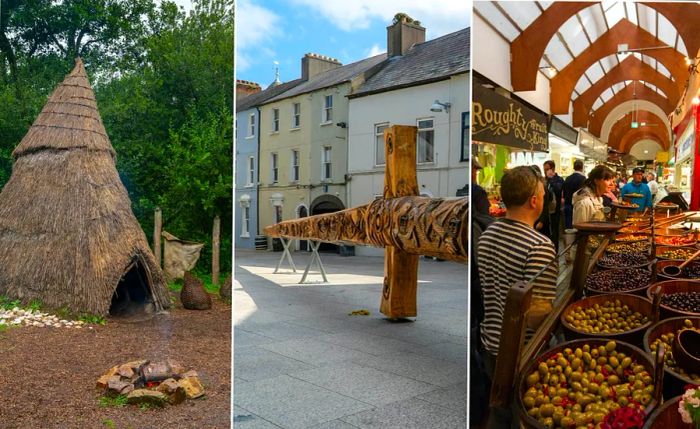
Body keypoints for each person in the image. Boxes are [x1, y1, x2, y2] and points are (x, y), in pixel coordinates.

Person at [477, 166, 558, 379]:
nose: (543, 199)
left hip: (490, 343)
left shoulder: (487, 234)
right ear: (533, 201)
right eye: (542, 195)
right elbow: (536, 314)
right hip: (522, 352)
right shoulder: (539, 246)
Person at [544, 160, 564, 251]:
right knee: (546, 232)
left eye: (547, 169)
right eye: (544, 169)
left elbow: (559, 190)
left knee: (554, 232)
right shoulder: (544, 180)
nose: (546, 171)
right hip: (545, 211)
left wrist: (551, 179)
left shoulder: (559, 179)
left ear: (552, 169)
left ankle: (554, 251)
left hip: (555, 211)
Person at [563, 159, 586, 229]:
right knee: (576, 227)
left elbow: (564, 192)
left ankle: (568, 240)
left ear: (573, 167)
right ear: (582, 168)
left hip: (567, 204)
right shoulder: (583, 179)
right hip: (577, 206)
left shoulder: (568, 178)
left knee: (568, 227)